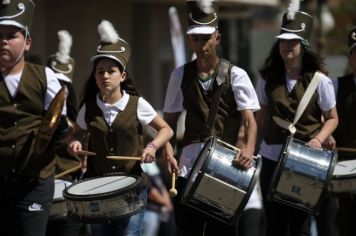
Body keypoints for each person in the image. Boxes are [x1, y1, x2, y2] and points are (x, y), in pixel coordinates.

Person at [163, 1, 265, 235]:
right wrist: (167, 150)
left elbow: (250, 120)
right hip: (188, 167)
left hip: (225, 166)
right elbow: (168, 122)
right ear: (190, 40)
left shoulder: (236, 74)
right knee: (188, 229)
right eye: (195, 38)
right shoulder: (179, 74)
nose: (201, 44)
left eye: (206, 38)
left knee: (223, 231)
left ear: (217, 38)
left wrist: (248, 149)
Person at [67, 19, 173, 236]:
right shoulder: (87, 108)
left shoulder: (137, 104)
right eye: (99, 71)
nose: (105, 75)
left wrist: (152, 147)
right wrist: (75, 143)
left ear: (122, 76)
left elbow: (166, 130)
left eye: (111, 70)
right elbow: (75, 135)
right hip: (96, 189)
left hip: (131, 188)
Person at [255, 1, 339, 235]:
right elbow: (259, 119)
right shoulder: (267, 78)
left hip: (306, 159)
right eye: (283, 39)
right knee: (274, 224)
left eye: (293, 40)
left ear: (303, 44)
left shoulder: (320, 81)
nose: (286, 45)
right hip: (272, 156)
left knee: (300, 226)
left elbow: (332, 118)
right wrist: (249, 149)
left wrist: (319, 139)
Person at [0, 1, 69, 236]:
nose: (4, 41)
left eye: (12, 36)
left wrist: (59, 129)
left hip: (35, 181)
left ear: (27, 43)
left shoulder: (45, 76)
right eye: (0, 35)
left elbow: (59, 121)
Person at [46, 30, 82, 236]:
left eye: (64, 86)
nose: (60, 90)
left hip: (68, 196)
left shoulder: (79, 123)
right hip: (39, 194)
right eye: (55, 85)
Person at [332, 26, 356, 236]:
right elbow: (327, 119)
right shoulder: (337, 86)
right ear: (351, 57)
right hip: (346, 170)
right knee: (347, 223)